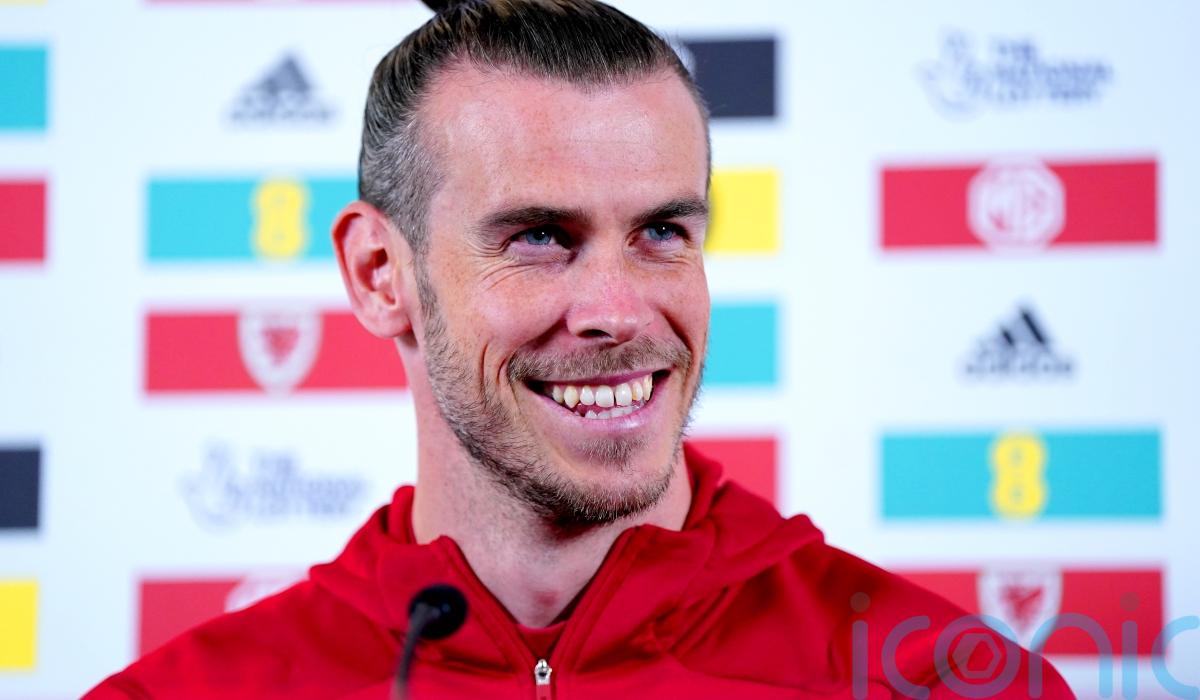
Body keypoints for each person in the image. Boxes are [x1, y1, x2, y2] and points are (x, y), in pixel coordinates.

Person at [88, 1, 1075, 697]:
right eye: (539, 237)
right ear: (381, 275)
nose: (618, 311)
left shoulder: (945, 679)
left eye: (661, 232)